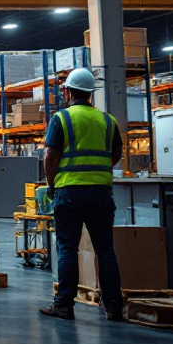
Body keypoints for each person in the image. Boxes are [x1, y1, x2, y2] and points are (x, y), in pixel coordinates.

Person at [40, 67, 126, 322]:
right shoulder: (107, 120)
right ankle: (114, 307)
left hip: (69, 192)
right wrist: (99, 171)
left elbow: (50, 156)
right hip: (100, 193)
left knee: (67, 249)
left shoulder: (62, 118)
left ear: (67, 91)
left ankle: (64, 305)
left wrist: (52, 185)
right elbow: (117, 152)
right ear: (90, 94)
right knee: (106, 251)